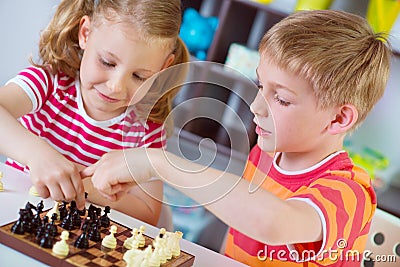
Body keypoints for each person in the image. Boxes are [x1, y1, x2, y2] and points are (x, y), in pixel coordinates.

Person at [82, 9, 392, 266]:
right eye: (260, 86)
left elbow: (273, 223)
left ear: (339, 118)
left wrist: (159, 162)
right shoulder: (267, 154)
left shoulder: (348, 193)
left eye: (281, 99)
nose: (256, 107)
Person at [0, 0, 189, 226]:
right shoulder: (48, 84)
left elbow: (148, 212)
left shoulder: (145, 131)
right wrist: (37, 155)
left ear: (163, 68)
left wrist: (88, 189)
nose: (116, 86)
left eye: (139, 76)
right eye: (107, 62)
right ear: (85, 33)